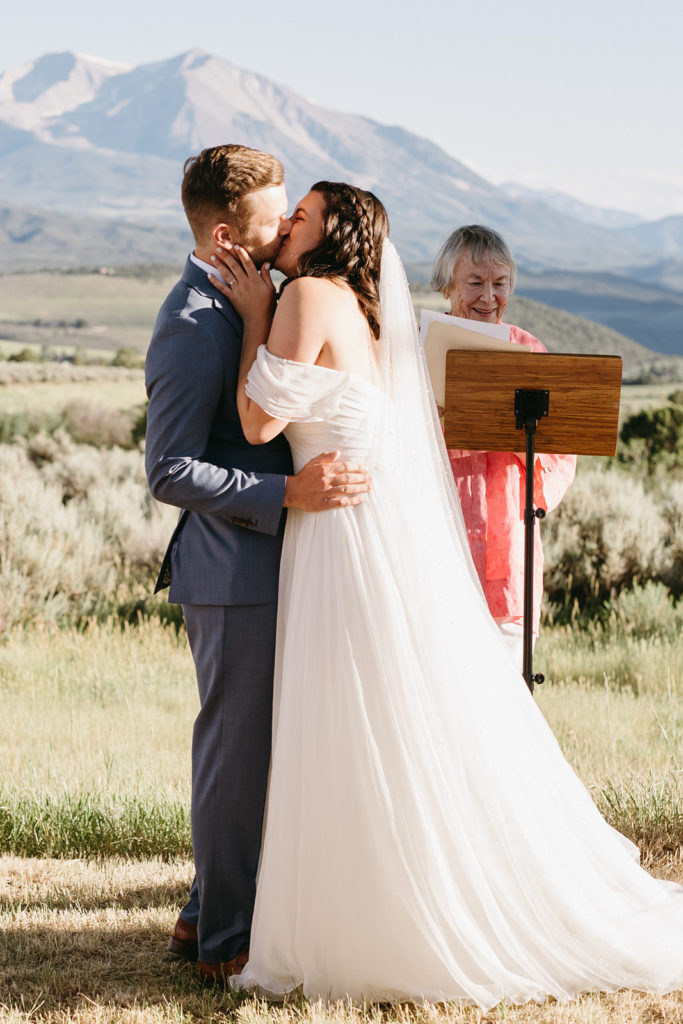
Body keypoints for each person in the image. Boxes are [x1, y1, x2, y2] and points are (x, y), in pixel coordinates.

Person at [207, 181, 683, 1006]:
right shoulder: (365, 309)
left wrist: (254, 312)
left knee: (345, 717)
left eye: (303, 216)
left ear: (331, 236)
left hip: (336, 533)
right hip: (360, 528)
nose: (287, 226)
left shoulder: (308, 295)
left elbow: (256, 425)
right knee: (374, 716)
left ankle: (363, 915)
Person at [144, 146, 371, 983]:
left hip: (282, 568)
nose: (284, 231)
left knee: (266, 751)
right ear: (223, 233)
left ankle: (204, 911)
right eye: (276, 217)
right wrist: (289, 498)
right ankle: (226, 942)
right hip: (232, 571)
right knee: (236, 757)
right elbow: (169, 470)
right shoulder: (193, 321)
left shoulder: (258, 300)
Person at [430, 225, 576, 668]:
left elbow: (559, 458)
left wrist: (509, 428)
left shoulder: (529, 352)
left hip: (507, 550)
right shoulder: (420, 351)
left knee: (508, 691)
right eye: (475, 282)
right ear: (447, 286)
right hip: (434, 547)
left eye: (500, 284)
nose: (488, 297)